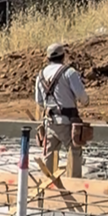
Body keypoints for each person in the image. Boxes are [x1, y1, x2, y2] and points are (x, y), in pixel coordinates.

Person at [35, 42, 89, 178]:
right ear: (63, 56)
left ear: (47, 58)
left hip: (50, 123)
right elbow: (81, 96)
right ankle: (74, 184)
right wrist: (85, 102)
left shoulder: (40, 75)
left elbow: (39, 101)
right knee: (74, 152)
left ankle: (47, 186)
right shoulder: (69, 72)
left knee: (49, 155)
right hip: (68, 122)